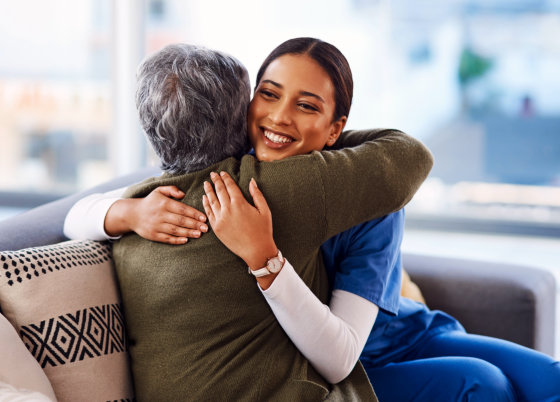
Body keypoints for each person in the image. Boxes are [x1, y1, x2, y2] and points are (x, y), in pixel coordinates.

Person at [66, 38, 560, 401]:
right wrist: (125, 212)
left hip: (397, 333)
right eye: (268, 94)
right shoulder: (226, 179)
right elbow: (79, 213)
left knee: (546, 381)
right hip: (338, 363)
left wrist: (267, 258)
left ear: (336, 128)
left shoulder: (368, 191)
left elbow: (403, 155)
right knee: (485, 384)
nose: (280, 117)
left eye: (307, 106)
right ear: (243, 104)